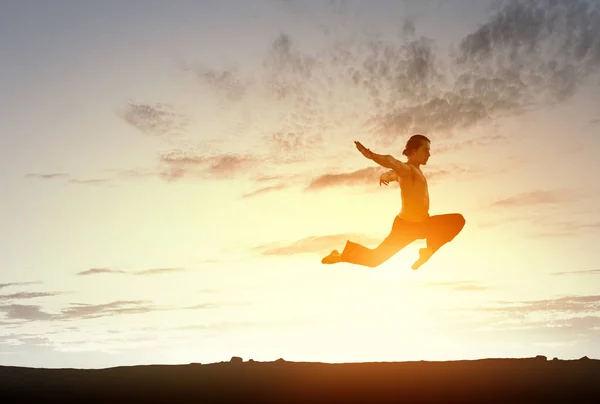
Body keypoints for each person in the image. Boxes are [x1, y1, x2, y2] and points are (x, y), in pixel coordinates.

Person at [321, 134, 465, 270]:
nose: (429, 154)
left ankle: (429, 250)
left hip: (424, 223)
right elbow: (391, 162)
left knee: (457, 220)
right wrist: (370, 155)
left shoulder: (414, 172)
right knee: (374, 260)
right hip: (405, 228)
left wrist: (386, 175)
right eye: (425, 150)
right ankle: (339, 256)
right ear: (413, 151)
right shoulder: (408, 170)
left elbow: (393, 173)